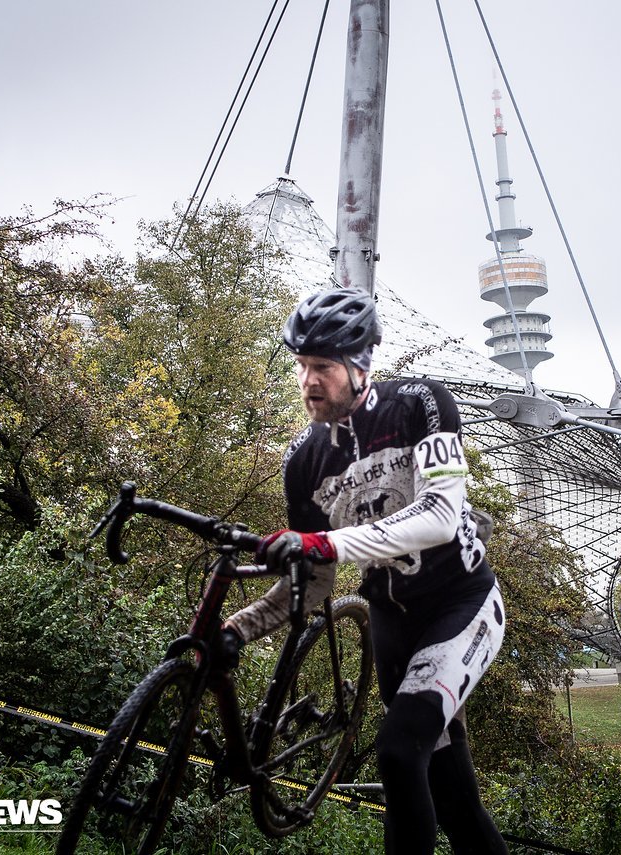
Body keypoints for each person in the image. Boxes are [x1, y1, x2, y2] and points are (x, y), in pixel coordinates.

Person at [224, 288, 509, 854]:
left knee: (399, 752)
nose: (309, 381)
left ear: (360, 366)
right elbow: (315, 586)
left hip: (461, 603)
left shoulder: (419, 404)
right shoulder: (304, 459)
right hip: (392, 624)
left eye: (323, 367)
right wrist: (239, 628)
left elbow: (441, 516)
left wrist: (322, 541)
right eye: (302, 366)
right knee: (451, 797)